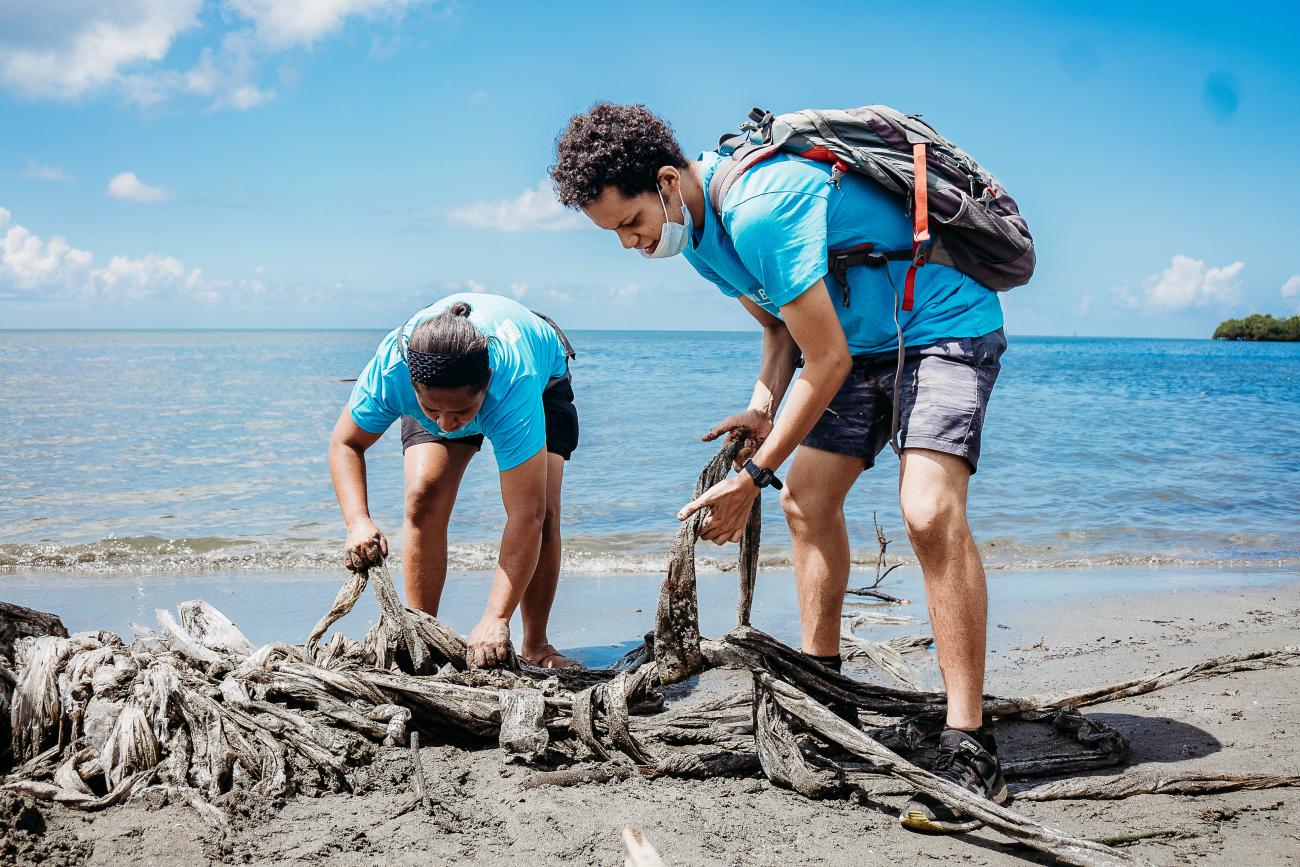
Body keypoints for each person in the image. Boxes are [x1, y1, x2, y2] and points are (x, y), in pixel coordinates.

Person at [551, 103, 1009, 831]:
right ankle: (826, 695)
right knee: (808, 502)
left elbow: (820, 359)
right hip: (857, 344)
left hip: (941, 323)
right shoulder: (700, 239)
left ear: (668, 181)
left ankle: (969, 741)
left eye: (631, 222)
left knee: (927, 512)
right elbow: (779, 331)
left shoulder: (758, 210)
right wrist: (761, 407)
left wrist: (754, 475)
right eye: (614, 235)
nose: (631, 244)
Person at [328, 293, 580, 670]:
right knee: (423, 497)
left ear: (487, 383)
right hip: (444, 377)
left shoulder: (513, 383)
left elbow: (527, 514)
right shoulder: (392, 371)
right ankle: (420, 637)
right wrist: (358, 522)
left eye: (460, 412)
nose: (446, 426)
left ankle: (537, 644)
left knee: (543, 510)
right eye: (432, 411)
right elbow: (346, 443)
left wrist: (496, 618)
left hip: (542, 384)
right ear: (412, 386)